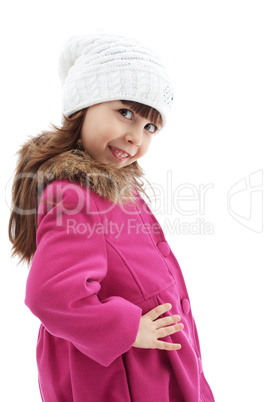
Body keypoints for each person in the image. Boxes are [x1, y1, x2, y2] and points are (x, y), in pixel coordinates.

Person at [9, 33, 215, 401]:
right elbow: (50, 294)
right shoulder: (74, 197)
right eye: (125, 113)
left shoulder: (115, 187)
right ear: (82, 107)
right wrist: (127, 328)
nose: (136, 137)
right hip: (121, 377)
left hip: (148, 368)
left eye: (150, 127)